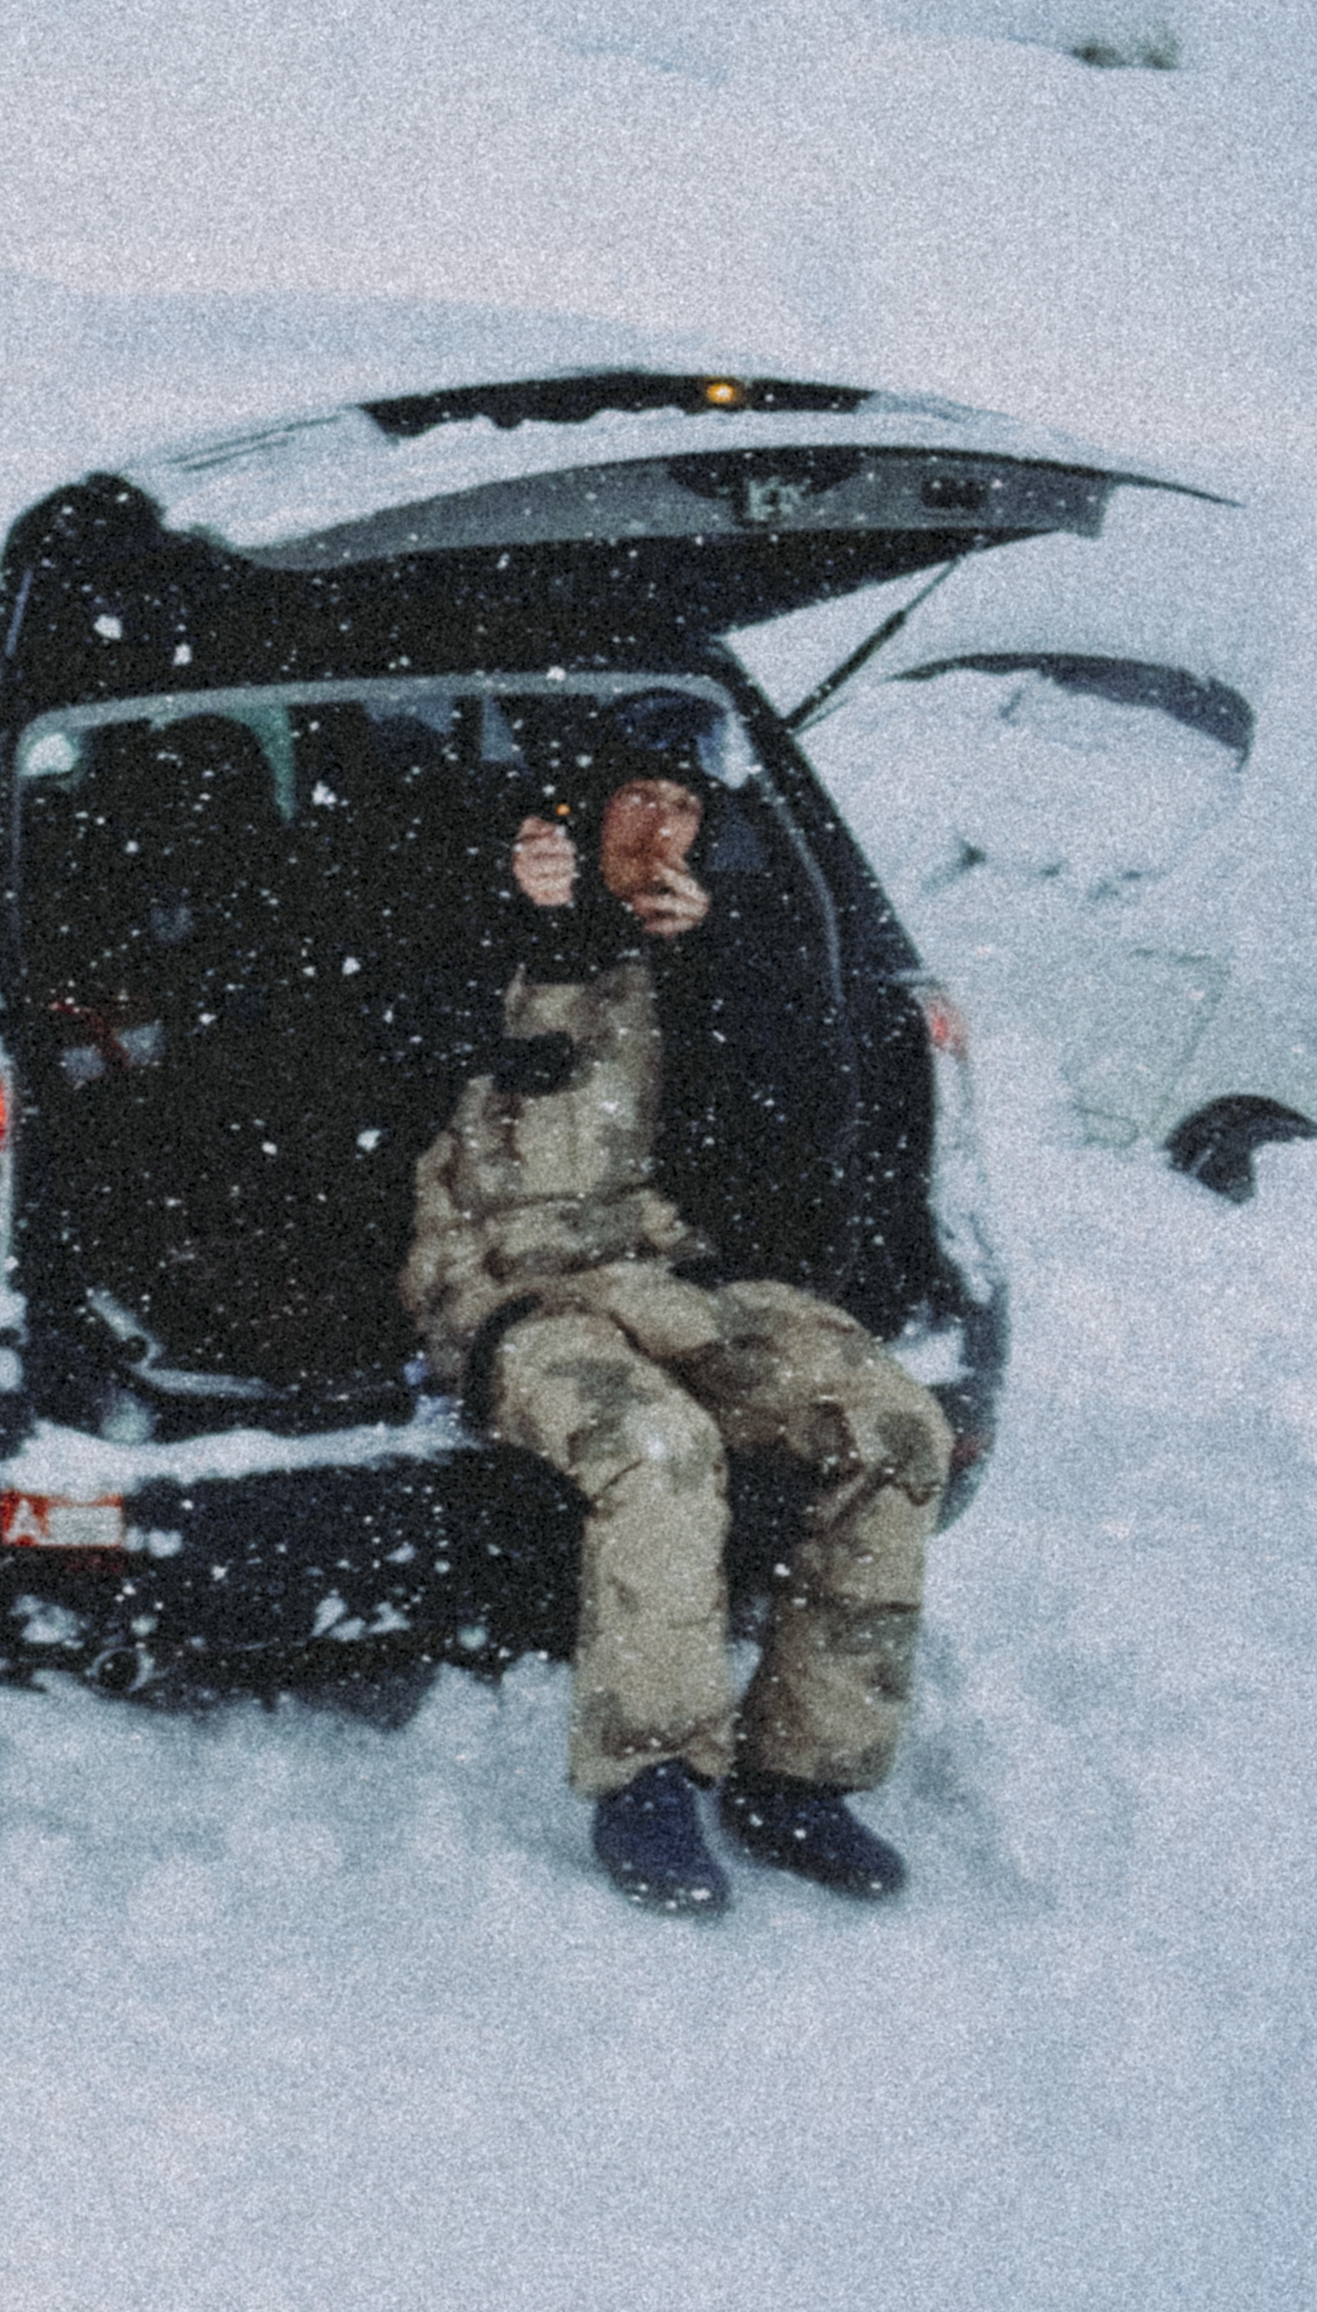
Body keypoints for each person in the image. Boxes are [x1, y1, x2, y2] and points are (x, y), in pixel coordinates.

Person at [399, 732, 954, 1914]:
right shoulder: (459, 902)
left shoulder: (718, 939)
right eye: (635, 797)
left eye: (686, 805)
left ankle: (800, 1778)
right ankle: (648, 1773)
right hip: (501, 1279)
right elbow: (377, 1064)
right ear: (578, 806)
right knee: (659, 1451)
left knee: (893, 1425)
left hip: (663, 1263)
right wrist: (508, 921)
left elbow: (794, 1137)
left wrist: (725, 961)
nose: (660, 828)